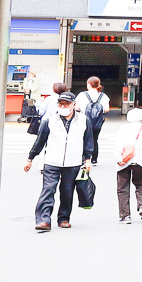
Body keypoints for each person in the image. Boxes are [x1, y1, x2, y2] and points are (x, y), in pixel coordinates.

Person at [24, 92, 88, 232]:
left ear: (74, 105)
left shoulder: (83, 120)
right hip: (52, 161)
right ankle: (43, 220)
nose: (63, 106)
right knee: (48, 190)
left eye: (66, 104)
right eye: (60, 104)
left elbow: (88, 142)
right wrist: (30, 158)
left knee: (67, 191)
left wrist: (88, 159)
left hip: (73, 162)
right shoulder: (50, 121)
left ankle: (64, 218)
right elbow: (40, 142)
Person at [113, 107, 142, 223]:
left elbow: (118, 145)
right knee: (140, 185)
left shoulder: (123, 128)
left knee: (122, 188)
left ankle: (125, 216)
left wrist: (119, 158)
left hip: (124, 162)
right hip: (140, 162)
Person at [75, 76, 109, 163]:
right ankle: (94, 158)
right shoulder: (103, 96)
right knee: (94, 139)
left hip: (84, 120)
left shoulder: (82, 95)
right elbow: (106, 109)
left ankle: (84, 157)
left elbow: (77, 108)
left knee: (83, 138)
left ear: (89, 85)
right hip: (98, 121)